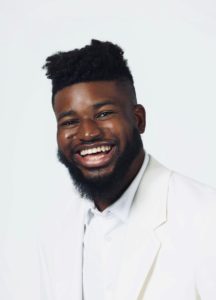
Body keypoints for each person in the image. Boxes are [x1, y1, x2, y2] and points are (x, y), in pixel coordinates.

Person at [1, 40, 215, 300]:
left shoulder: (205, 218)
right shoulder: (55, 230)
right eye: (69, 121)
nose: (88, 133)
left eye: (103, 114)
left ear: (138, 119)